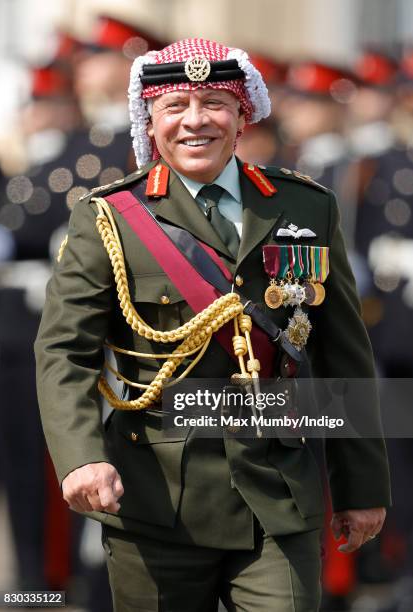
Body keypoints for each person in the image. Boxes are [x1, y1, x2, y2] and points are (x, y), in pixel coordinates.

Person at [35, 38, 391, 612]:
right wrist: (80, 456)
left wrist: (363, 486)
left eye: (215, 103)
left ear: (243, 113)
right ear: (150, 120)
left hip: (277, 492)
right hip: (156, 498)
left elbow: (343, 354)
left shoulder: (304, 208)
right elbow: (63, 352)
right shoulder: (108, 218)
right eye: (175, 106)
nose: (195, 121)